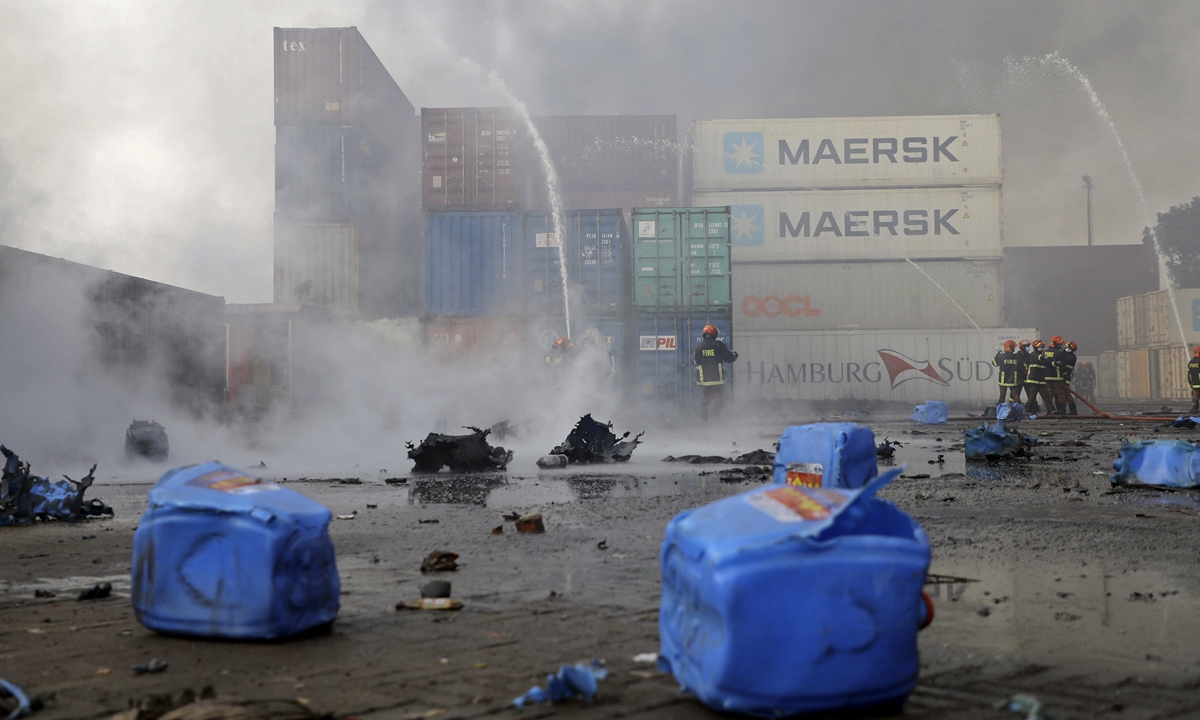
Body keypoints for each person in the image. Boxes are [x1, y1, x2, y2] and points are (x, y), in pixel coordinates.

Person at [694, 324, 738, 422]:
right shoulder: (719, 345)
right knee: (719, 400)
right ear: (714, 333)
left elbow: (697, 361)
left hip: (704, 381)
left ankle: (705, 420)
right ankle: (717, 420)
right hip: (717, 380)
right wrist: (735, 354)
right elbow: (729, 358)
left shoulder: (699, 347)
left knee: (705, 401)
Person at [1025, 339, 1054, 416]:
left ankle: (1051, 410)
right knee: (1032, 396)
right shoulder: (1033, 355)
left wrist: (1055, 363)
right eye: (1040, 347)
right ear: (1035, 347)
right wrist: (1043, 357)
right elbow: (1039, 357)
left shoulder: (1043, 356)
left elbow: (1049, 363)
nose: (1041, 348)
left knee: (1046, 396)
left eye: (1042, 347)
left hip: (1041, 380)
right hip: (1033, 380)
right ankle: (1027, 411)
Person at [992, 340, 1023, 408]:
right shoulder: (1017, 357)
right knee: (1016, 396)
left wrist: (998, 354)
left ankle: (999, 411)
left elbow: (994, 363)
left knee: (1002, 397)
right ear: (1011, 348)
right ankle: (1019, 410)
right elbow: (1020, 366)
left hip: (1003, 380)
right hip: (1013, 380)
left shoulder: (1001, 356)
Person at [1040, 335, 1067, 415]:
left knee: (1049, 394)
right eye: (1060, 344)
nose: (1061, 345)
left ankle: (1051, 410)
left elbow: (1044, 363)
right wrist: (1065, 377)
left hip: (1047, 376)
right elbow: (1063, 366)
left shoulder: (1045, 352)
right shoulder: (1059, 353)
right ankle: (1061, 410)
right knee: (1059, 394)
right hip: (1057, 377)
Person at [1060, 341, 1079, 415]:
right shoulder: (1064, 355)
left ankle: (1073, 410)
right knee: (1063, 394)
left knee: (1066, 394)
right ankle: (1064, 410)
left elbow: (1064, 363)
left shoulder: (1072, 357)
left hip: (1066, 377)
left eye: (1069, 348)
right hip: (1061, 376)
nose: (1067, 349)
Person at [1016, 340, 1033, 406]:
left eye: (1028, 346)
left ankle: (1031, 408)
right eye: (1027, 346)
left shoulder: (1030, 356)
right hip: (1018, 378)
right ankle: (1016, 407)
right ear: (1022, 347)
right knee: (1015, 395)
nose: (1028, 347)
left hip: (1028, 379)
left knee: (1031, 395)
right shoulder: (1016, 356)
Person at [1188, 347, 1200, 415]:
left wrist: (1190, 382)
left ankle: (1194, 410)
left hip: (1194, 384)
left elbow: (1189, 374)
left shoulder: (1191, 362)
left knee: (1195, 396)